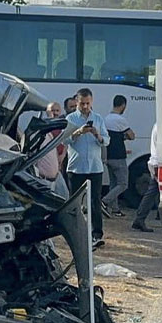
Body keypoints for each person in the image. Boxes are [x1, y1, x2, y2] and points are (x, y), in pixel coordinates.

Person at [66, 88, 108, 249]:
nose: (85, 107)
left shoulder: (98, 118)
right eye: (82, 103)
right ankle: (74, 232)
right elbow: (64, 140)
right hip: (76, 167)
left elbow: (106, 140)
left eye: (88, 103)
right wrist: (78, 132)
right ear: (76, 102)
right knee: (74, 202)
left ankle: (96, 234)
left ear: (92, 102)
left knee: (95, 201)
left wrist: (97, 135)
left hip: (95, 167)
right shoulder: (70, 118)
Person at [102, 95, 136, 217]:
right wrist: (126, 136)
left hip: (108, 156)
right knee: (123, 184)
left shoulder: (106, 119)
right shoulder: (120, 119)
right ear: (123, 105)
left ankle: (115, 209)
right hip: (119, 156)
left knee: (113, 183)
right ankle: (104, 201)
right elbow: (132, 135)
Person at [132, 125, 160, 233]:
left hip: (155, 162)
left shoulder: (158, 125)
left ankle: (140, 218)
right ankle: (140, 218)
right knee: (153, 192)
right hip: (159, 163)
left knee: (153, 192)